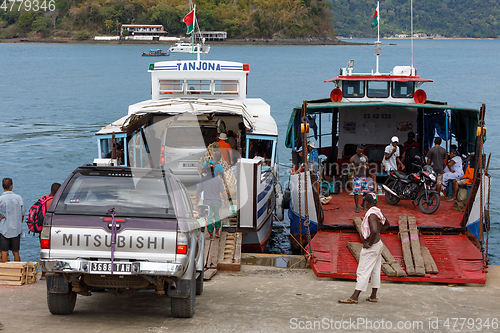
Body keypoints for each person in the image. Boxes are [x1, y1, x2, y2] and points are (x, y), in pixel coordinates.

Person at [338, 193, 390, 304]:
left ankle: (354, 297)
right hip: (379, 244)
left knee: (362, 271)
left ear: (367, 202)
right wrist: (377, 235)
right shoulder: (378, 211)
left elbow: (374, 230)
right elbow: (387, 224)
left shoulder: (371, 215)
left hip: (372, 247)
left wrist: (369, 243)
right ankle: (373, 295)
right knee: (375, 270)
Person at [195, 163, 228, 239]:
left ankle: (210, 236)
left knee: (209, 218)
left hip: (207, 203)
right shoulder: (218, 180)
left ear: (206, 170)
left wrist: (197, 198)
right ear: (214, 170)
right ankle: (217, 232)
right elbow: (223, 191)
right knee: (217, 217)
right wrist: (225, 199)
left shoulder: (203, 180)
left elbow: (198, 191)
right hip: (217, 202)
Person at [0, 178, 26, 263]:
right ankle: (18, 272)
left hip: (4, 229)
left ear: (2, 186)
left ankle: (4, 272)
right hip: (16, 229)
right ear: (11, 186)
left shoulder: (1, 199)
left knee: (4, 252)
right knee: (16, 252)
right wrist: (18, 223)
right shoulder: (18, 198)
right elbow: (22, 214)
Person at [350, 145, 369, 213]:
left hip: (363, 176)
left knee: (366, 191)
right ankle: (357, 206)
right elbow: (350, 169)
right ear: (356, 151)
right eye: (359, 152)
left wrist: (367, 166)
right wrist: (358, 167)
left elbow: (367, 164)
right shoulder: (353, 158)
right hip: (356, 177)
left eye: (362, 151)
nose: (361, 153)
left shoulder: (365, 157)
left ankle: (363, 203)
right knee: (356, 192)